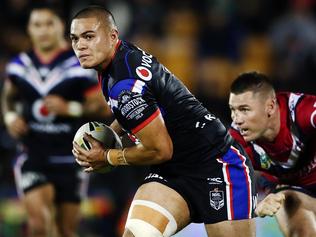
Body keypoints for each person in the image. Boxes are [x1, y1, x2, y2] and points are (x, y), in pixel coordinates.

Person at [70, 6, 257, 237]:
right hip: (172, 173)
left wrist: (107, 156)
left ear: (112, 36)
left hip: (217, 166)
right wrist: (112, 132)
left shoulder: (124, 84)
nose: (80, 45)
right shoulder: (120, 58)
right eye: (75, 39)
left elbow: (160, 150)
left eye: (89, 37)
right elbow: (141, 108)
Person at [2, 4, 110, 237]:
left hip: (70, 158)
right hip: (33, 154)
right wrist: (10, 116)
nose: (43, 30)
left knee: (65, 230)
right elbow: (8, 97)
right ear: (29, 30)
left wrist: (69, 108)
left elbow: (101, 107)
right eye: (37, 25)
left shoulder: (79, 65)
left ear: (62, 27)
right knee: (40, 225)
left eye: (49, 24)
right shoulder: (19, 66)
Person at [228, 71, 316, 237]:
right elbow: (227, 190)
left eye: (244, 110)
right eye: (233, 110)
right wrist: (257, 206)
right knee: (300, 229)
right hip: (293, 190)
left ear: (269, 107)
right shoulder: (235, 142)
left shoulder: (302, 112)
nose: (237, 119)